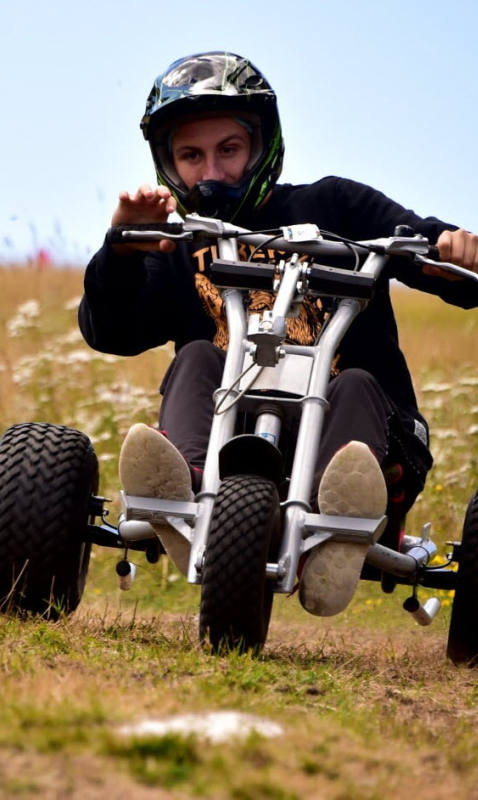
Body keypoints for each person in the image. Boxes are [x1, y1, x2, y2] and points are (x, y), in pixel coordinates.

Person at [78, 51, 478, 616]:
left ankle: (339, 526)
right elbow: (110, 332)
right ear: (167, 162)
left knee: (358, 381)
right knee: (196, 355)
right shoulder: (179, 241)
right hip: (226, 447)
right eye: (191, 155)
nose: (211, 171)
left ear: (262, 146)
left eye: (229, 150)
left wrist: (452, 253)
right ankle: (184, 493)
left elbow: (438, 260)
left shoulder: (337, 205)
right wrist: (120, 247)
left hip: (368, 449)